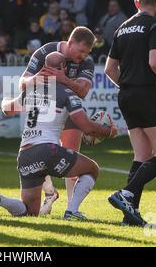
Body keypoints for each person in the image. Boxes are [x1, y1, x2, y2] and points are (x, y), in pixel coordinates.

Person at [0, 51, 117, 218]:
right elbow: (87, 127)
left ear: (44, 67)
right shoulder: (67, 92)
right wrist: (109, 132)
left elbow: (7, 109)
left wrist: (3, 100)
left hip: (25, 155)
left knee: (30, 212)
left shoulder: (31, 90)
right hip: (48, 151)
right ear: (63, 68)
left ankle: (0, 199)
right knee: (92, 169)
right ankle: (72, 211)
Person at [104, 0, 156, 226]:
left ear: (136, 3)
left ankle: (131, 215)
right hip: (147, 93)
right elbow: (155, 61)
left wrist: (128, 86)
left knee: (141, 154)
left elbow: (109, 69)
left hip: (125, 94)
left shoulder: (122, 28)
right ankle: (126, 193)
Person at [19, 26, 97, 217]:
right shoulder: (45, 52)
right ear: (70, 43)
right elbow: (23, 83)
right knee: (40, 149)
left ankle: (71, 208)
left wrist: (64, 80)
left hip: (70, 107)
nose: (82, 56)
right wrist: (38, 78)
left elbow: (83, 91)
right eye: (80, 51)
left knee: (71, 153)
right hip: (46, 109)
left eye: (86, 53)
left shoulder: (86, 62)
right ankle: (50, 193)